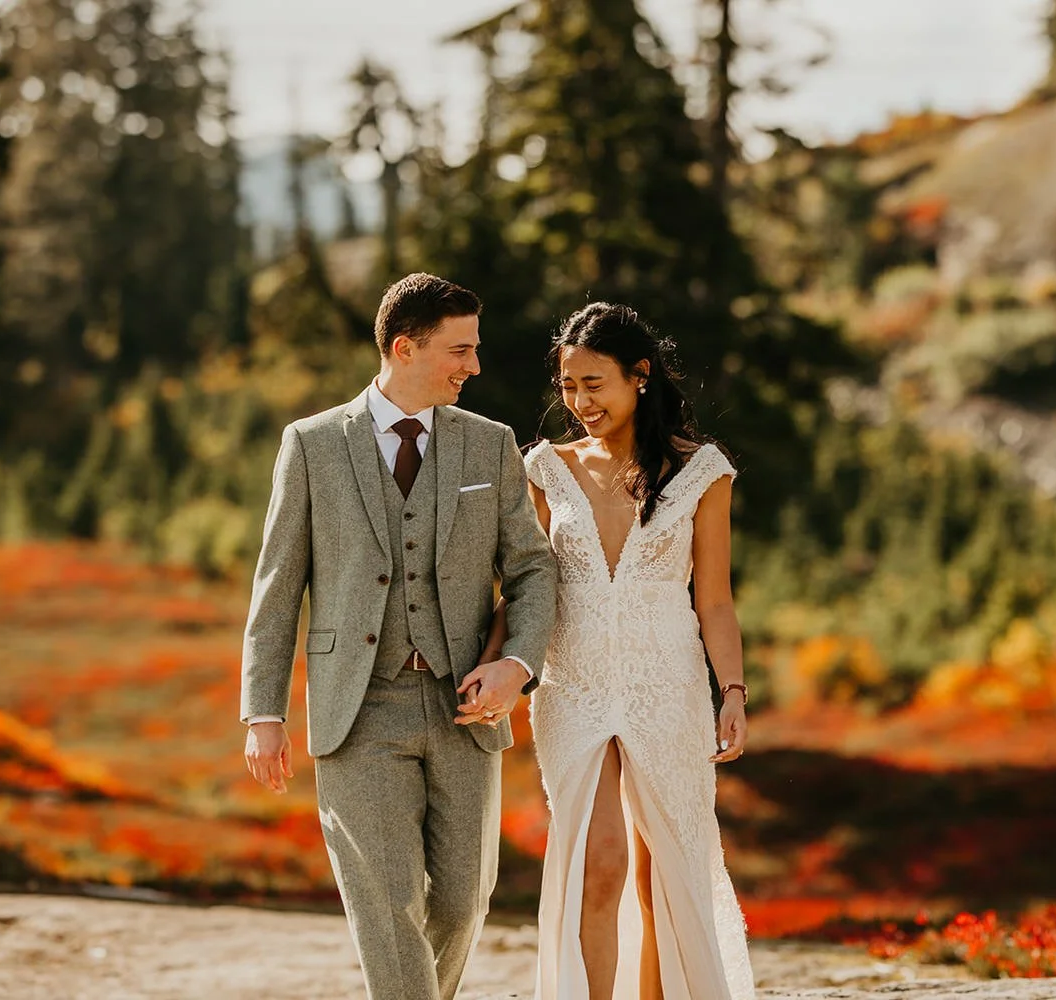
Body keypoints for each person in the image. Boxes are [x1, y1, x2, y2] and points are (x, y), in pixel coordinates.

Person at [239, 273, 558, 1000]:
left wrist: (517, 665)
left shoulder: (491, 445)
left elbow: (533, 570)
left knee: (461, 900)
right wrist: (263, 711)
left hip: (466, 708)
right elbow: (277, 586)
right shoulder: (312, 444)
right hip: (360, 708)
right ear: (404, 347)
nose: (473, 366)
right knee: (386, 907)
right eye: (460, 350)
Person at [488, 302, 755, 999]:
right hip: (571, 684)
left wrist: (731, 691)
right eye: (568, 386)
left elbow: (715, 601)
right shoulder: (545, 469)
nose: (578, 402)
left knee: (661, 870)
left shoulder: (703, 473)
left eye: (593, 384)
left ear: (639, 377)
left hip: (665, 682)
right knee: (597, 858)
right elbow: (521, 587)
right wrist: (498, 668)